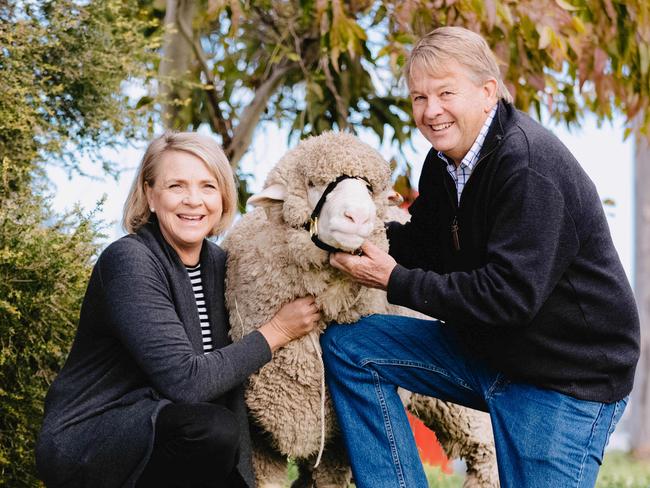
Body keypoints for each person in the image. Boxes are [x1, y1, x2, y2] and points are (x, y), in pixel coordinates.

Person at [320, 26, 640, 488]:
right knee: (352, 348)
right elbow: (425, 245)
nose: (430, 112)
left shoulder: (528, 167)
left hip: (563, 378)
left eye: (445, 92)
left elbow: (508, 298)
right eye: (418, 98)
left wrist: (392, 279)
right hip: (490, 352)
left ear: (487, 92)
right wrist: (354, 234)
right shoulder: (444, 163)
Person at [35, 131, 321, 488]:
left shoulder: (222, 263)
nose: (193, 201)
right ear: (151, 195)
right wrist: (278, 331)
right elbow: (188, 383)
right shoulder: (129, 261)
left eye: (207, 186)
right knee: (212, 429)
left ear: (223, 197)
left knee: (217, 436)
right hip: (95, 439)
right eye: (176, 186)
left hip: (173, 433)